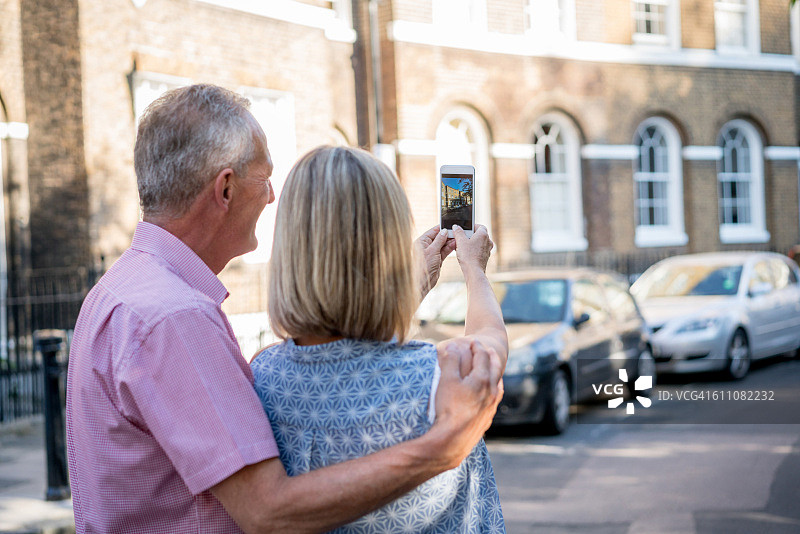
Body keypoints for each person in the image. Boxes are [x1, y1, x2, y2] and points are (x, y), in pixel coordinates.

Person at [66, 84, 504, 533]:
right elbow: (267, 511)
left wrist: (395, 292)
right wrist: (443, 446)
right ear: (225, 188)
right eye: (264, 176)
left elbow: (330, 357)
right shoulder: (174, 318)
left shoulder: (122, 291)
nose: (272, 195)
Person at [251, 145, 509, 532]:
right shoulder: (438, 377)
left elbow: (346, 350)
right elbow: (490, 341)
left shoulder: (261, 377)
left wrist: (403, 293)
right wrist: (474, 268)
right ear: (390, 249)